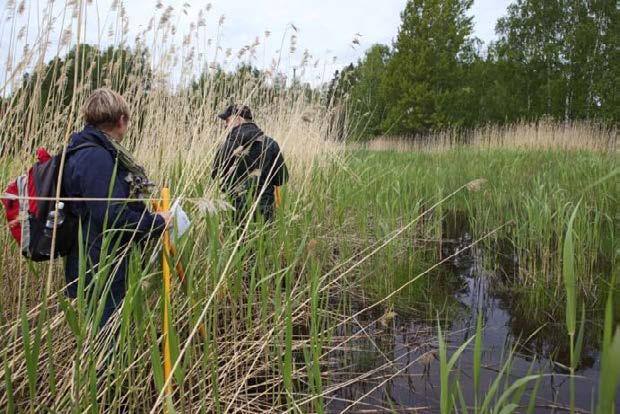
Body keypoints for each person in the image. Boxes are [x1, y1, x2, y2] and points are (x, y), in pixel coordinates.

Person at [62, 88, 170, 329]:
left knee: (106, 332)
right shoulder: (96, 156)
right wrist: (158, 223)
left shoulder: (87, 150)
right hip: (100, 264)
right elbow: (112, 215)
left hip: (97, 258)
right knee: (106, 338)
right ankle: (104, 368)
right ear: (121, 121)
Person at [211, 104, 288, 223]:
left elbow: (215, 177)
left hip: (235, 213)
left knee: (238, 241)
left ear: (238, 119)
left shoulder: (227, 146)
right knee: (265, 240)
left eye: (227, 120)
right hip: (265, 211)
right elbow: (282, 179)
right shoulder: (271, 144)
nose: (226, 125)